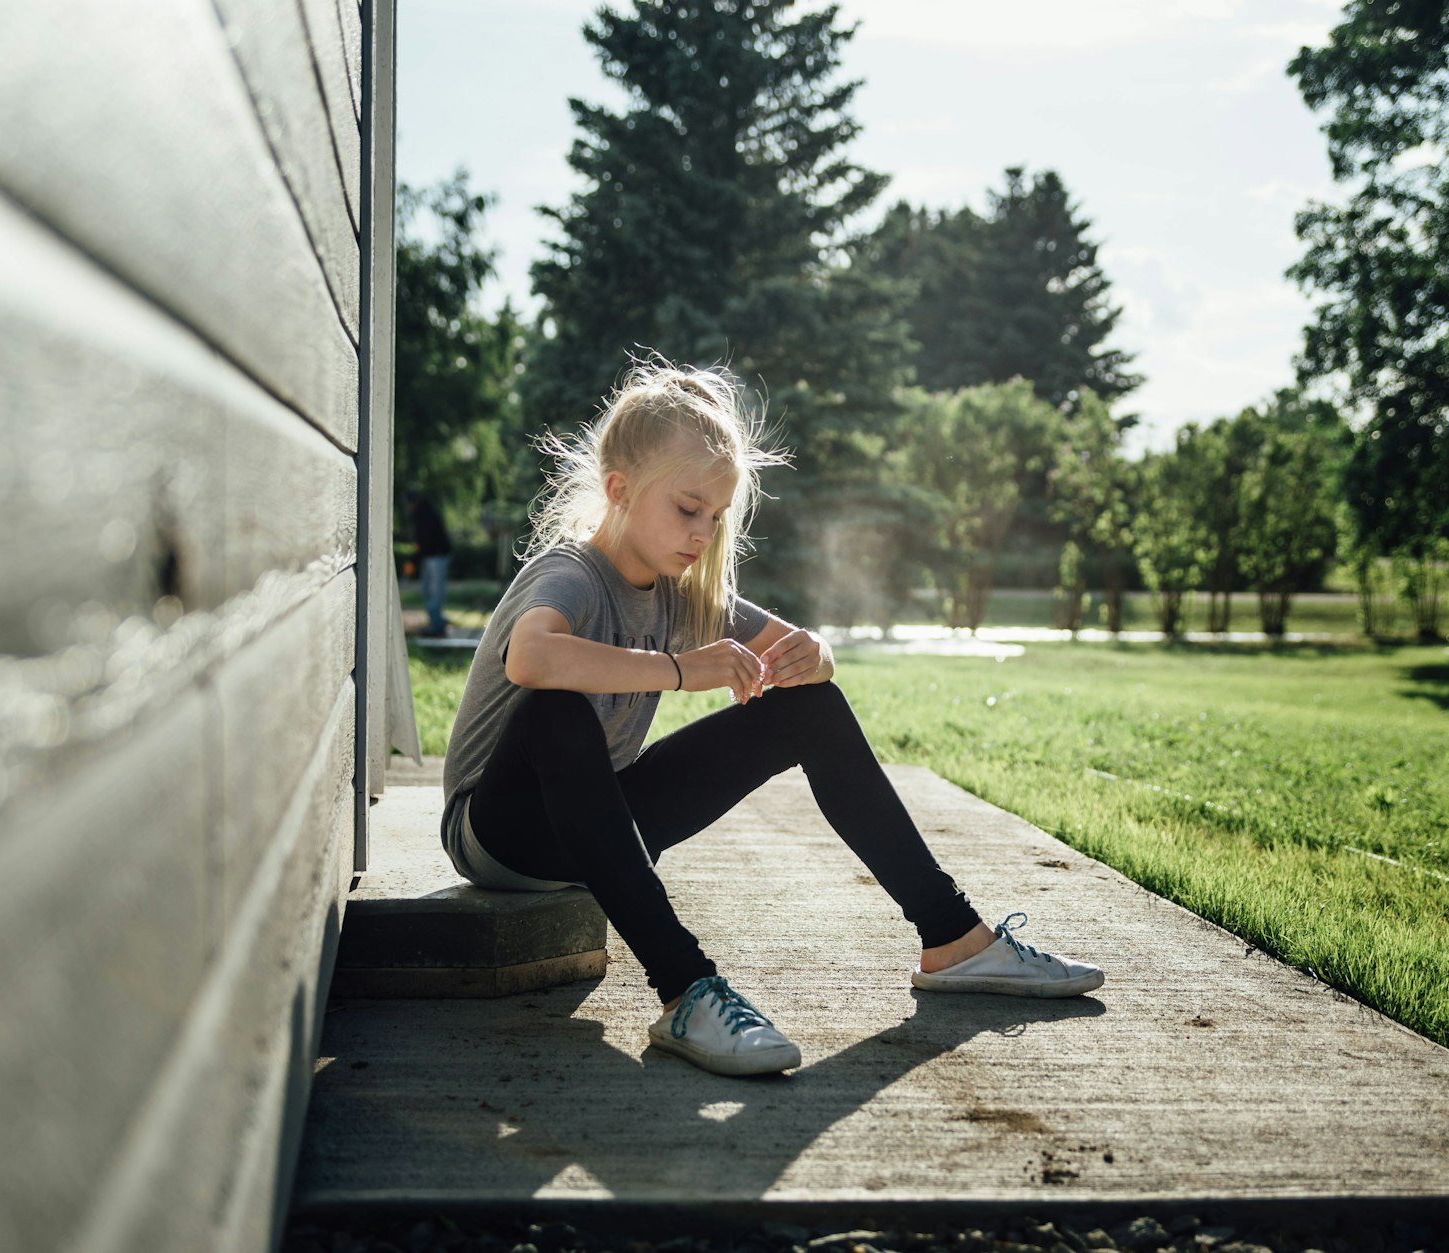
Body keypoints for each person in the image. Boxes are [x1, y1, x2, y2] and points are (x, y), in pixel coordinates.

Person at [438, 355, 1103, 1078]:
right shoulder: (570, 572)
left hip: (600, 823)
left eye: (716, 516)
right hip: (498, 831)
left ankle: (955, 941)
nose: (701, 532)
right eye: (687, 508)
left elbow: (807, 657)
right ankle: (687, 989)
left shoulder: (679, 591)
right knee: (554, 712)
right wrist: (684, 670)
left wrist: (812, 654)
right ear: (619, 490)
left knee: (809, 707)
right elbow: (531, 658)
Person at [406, 491, 454, 637]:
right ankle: (436, 621)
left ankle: (437, 626)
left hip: (437, 556)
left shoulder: (425, 515)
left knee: (434, 591)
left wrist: (414, 560)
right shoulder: (423, 514)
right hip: (430, 557)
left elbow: (424, 541)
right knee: (428, 590)